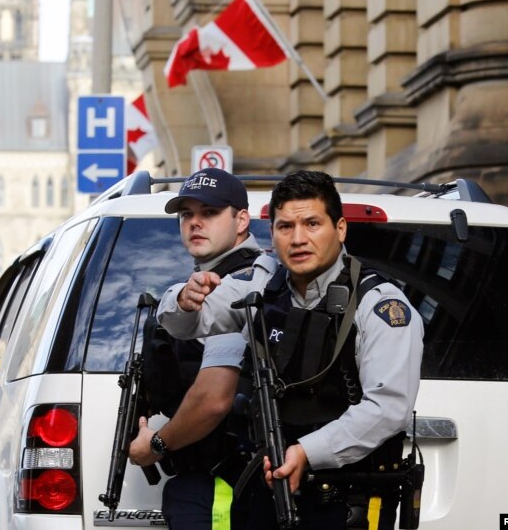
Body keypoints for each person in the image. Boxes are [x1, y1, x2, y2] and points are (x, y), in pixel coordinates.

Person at [157, 170, 423, 530]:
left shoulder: (379, 304)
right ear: (272, 233)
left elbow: (388, 407)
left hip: (348, 499)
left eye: (312, 223)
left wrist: (306, 452)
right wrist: (184, 299)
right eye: (285, 227)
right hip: (267, 489)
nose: (298, 239)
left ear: (340, 228)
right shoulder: (264, 282)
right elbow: (189, 322)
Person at [128, 167, 260, 529]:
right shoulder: (212, 281)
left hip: (227, 484)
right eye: (187, 214)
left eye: (210, 213)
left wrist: (154, 445)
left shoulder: (237, 287)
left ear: (241, 220)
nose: (195, 223)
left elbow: (214, 399)